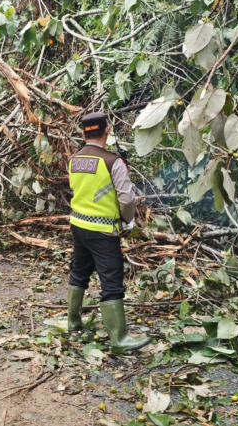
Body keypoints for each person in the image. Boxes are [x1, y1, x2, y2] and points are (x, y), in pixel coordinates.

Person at [66, 111, 149, 354]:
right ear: (107, 130)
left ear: (84, 133)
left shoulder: (73, 160)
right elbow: (127, 199)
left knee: (79, 271)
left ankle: (73, 323)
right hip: (102, 230)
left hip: (78, 225)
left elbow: (78, 189)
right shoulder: (113, 162)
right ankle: (119, 339)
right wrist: (127, 219)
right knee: (111, 280)